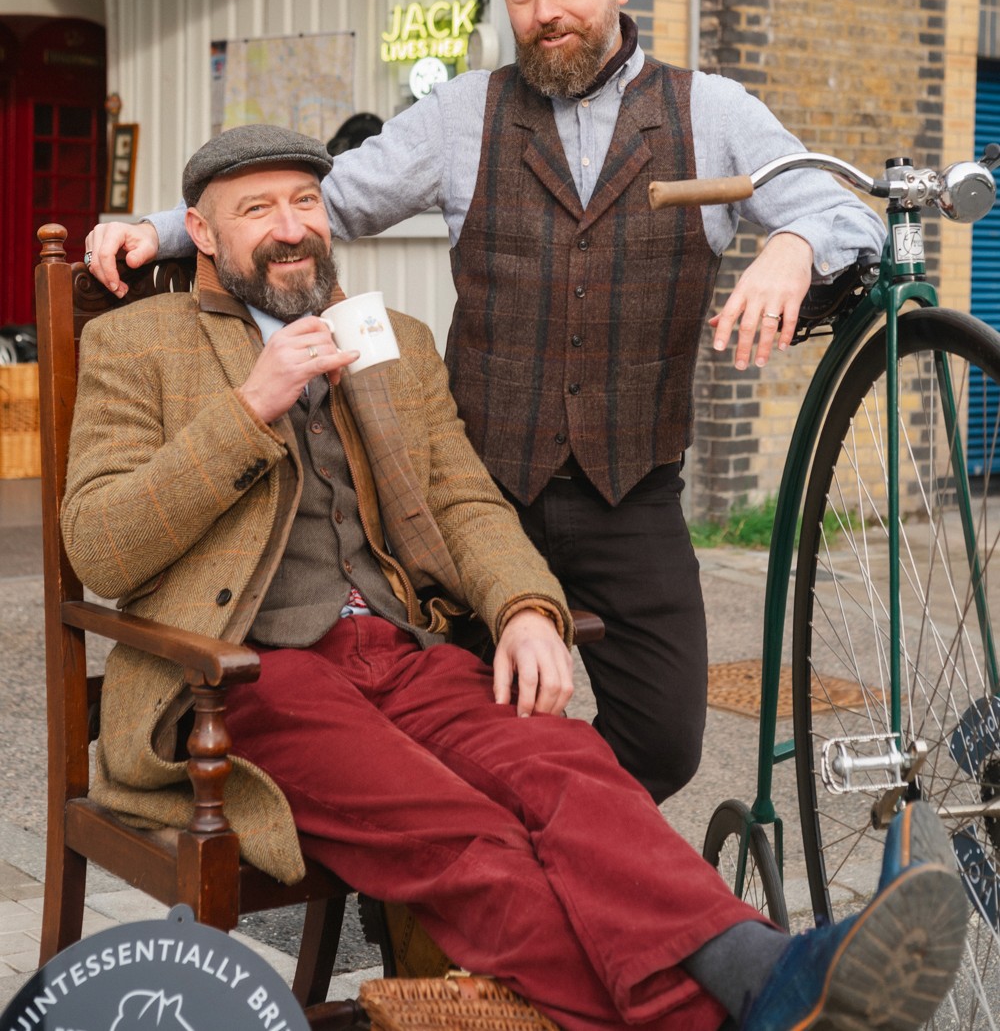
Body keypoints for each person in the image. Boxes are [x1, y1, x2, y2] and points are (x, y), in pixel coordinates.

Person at [63, 124, 965, 1031]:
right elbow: (100, 547)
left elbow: (464, 505)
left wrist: (528, 610)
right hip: (251, 675)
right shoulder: (139, 346)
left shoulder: (391, 341)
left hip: (406, 649)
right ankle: (749, 996)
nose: (290, 227)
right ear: (202, 233)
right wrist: (249, 407)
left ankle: (766, 974)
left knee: (572, 771)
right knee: (466, 834)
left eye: (305, 202)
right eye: (255, 210)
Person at [82, 0, 886, 804]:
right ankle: (499, 883)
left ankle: (554, 841)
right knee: (454, 732)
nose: (544, 9)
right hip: (477, 493)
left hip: (634, 493)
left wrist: (793, 245)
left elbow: (848, 208)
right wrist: (163, 227)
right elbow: (319, 200)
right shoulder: (464, 114)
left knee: (666, 745)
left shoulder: (710, 111)